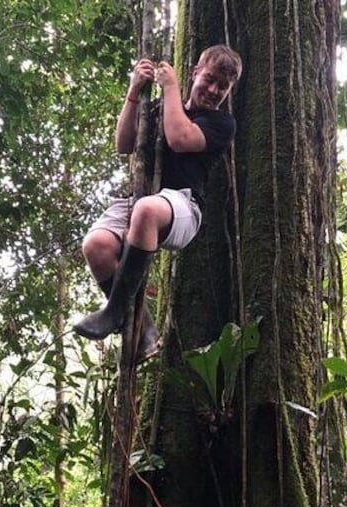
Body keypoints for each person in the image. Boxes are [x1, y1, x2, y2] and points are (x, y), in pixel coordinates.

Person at [74, 45, 242, 360]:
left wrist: (170, 87)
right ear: (195, 72)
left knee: (147, 210)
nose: (213, 90)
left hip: (182, 206)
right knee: (96, 244)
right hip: (142, 199)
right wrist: (135, 90)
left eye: (223, 86)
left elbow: (179, 138)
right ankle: (144, 332)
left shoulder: (221, 124)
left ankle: (113, 314)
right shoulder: (157, 108)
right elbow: (124, 144)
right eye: (209, 79)